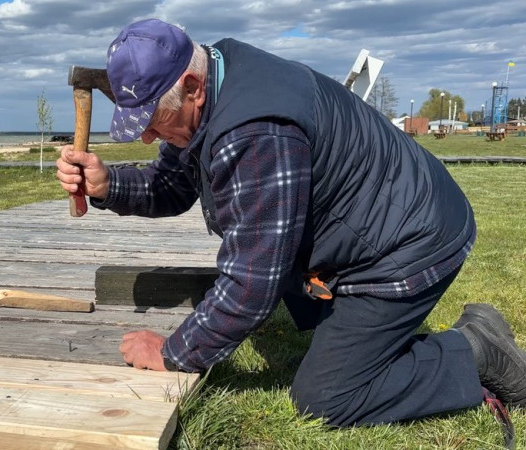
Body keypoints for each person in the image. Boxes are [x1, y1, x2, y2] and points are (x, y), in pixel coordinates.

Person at [55, 18, 526, 427]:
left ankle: (476, 350)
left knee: (326, 397)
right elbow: (172, 184)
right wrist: (107, 185)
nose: (148, 137)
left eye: (153, 120)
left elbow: (252, 281)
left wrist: (175, 352)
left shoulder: (256, 130)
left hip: (407, 245)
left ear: (193, 87)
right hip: (379, 227)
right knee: (334, 352)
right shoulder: (217, 77)